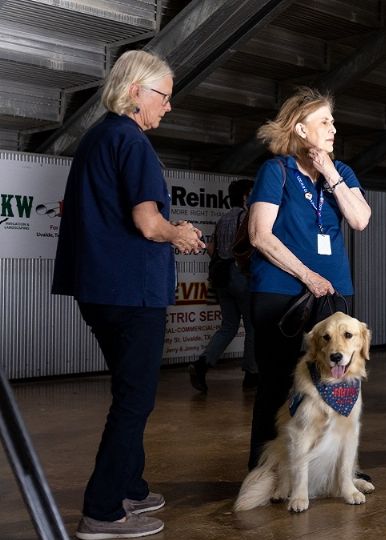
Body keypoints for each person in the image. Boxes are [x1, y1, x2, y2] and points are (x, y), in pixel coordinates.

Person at [52, 50, 205, 540]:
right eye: (164, 96)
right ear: (136, 91)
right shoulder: (133, 142)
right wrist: (178, 232)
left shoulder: (98, 137)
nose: (168, 106)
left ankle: (131, 486)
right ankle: (102, 510)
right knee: (135, 399)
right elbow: (147, 223)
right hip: (131, 292)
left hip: (98, 288)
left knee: (129, 391)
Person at [246, 88, 371, 470]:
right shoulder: (276, 170)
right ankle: (263, 469)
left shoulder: (342, 172)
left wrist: (331, 171)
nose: (334, 128)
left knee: (337, 383)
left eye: (333, 121)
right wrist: (307, 275)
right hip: (281, 292)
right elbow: (259, 235)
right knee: (277, 384)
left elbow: (360, 219)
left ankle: (331, 467)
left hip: (334, 295)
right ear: (301, 129)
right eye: (325, 122)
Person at [189, 179, 258, 392]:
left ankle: (202, 364)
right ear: (246, 196)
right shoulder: (246, 217)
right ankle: (251, 375)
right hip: (240, 276)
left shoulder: (223, 219)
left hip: (221, 278)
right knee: (252, 327)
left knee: (228, 326)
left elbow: (212, 249)